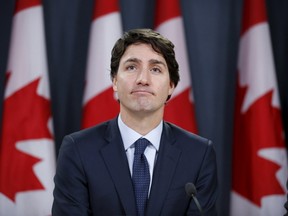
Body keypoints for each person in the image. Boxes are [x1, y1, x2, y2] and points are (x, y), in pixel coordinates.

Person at [52, 28, 218, 216]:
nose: (143, 79)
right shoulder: (78, 150)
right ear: (114, 81)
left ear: (171, 86)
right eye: (132, 67)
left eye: (155, 69)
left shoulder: (198, 154)